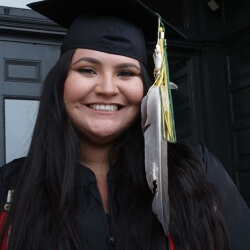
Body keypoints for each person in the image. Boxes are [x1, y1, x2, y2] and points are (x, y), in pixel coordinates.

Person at [0, 0, 250, 249]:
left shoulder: (197, 171)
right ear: (61, 82)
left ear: (147, 88)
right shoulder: (10, 188)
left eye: (126, 73)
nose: (107, 89)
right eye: (87, 70)